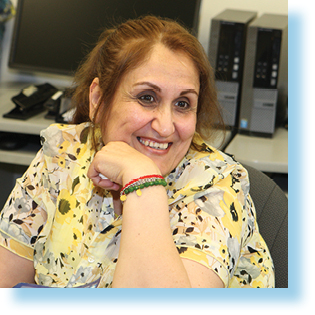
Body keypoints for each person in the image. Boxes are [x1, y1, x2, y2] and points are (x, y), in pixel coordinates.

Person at [0, 16, 274, 288]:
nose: (166, 127)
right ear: (98, 99)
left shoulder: (216, 188)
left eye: (182, 103)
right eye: (147, 98)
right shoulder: (63, 152)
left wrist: (142, 181)